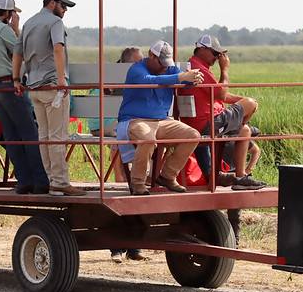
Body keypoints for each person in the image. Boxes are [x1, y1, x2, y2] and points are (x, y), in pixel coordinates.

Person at [0, 0, 50, 194]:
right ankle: (41, 181)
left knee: (11, 134)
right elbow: (22, 50)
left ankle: (24, 181)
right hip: (7, 85)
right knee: (29, 133)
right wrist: (16, 28)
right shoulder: (3, 29)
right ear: (7, 13)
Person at [12, 0, 85, 197]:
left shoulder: (28, 23)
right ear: (52, 3)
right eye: (64, 5)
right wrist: (62, 79)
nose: (65, 10)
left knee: (43, 137)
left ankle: (51, 179)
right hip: (53, 86)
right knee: (57, 137)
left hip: (33, 87)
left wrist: (16, 80)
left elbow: (18, 53)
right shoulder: (55, 23)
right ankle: (60, 182)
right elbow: (58, 48)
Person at [178, 35, 267, 191]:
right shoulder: (200, 69)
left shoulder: (194, 66)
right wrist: (224, 69)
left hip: (201, 122)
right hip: (208, 123)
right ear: (202, 50)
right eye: (215, 53)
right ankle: (239, 124)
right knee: (250, 104)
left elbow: (221, 95)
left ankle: (240, 177)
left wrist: (243, 101)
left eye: (219, 54)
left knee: (244, 131)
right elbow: (222, 95)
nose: (218, 57)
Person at [116, 41, 204, 195]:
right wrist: (182, 76)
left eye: (167, 63)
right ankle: (138, 183)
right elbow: (150, 81)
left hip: (162, 121)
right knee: (148, 140)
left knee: (192, 136)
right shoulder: (136, 69)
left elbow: (184, 81)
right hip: (135, 120)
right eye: (161, 62)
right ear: (151, 55)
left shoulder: (169, 69)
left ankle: (167, 175)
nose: (165, 67)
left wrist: (193, 78)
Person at [88, 46, 143, 183]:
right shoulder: (124, 75)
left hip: (97, 122)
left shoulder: (111, 71)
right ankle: (121, 177)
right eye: (139, 61)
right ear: (129, 62)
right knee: (127, 130)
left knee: (127, 127)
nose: (142, 64)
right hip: (105, 122)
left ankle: (127, 175)